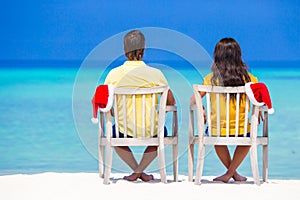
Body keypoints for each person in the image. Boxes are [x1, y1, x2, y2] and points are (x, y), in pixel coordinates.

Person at [104, 30, 176, 182]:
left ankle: (136, 172)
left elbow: (105, 102)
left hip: (123, 130)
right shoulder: (156, 74)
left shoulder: (113, 74)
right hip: (151, 130)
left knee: (113, 134)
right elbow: (171, 102)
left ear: (124, 50)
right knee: (161, 133)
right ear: (144, 49)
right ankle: (140, 172)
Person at [190, 37, 258, 183]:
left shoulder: (210, 79)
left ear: (217, 56)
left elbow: (193, 99)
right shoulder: (250, 79)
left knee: (216, 138)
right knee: (248, 139)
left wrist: (201, 109)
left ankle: (230, 174)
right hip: (242, 129)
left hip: (217, 130)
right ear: (238, 56)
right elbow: (259, 100)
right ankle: (232, 173)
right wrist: (257, 113)